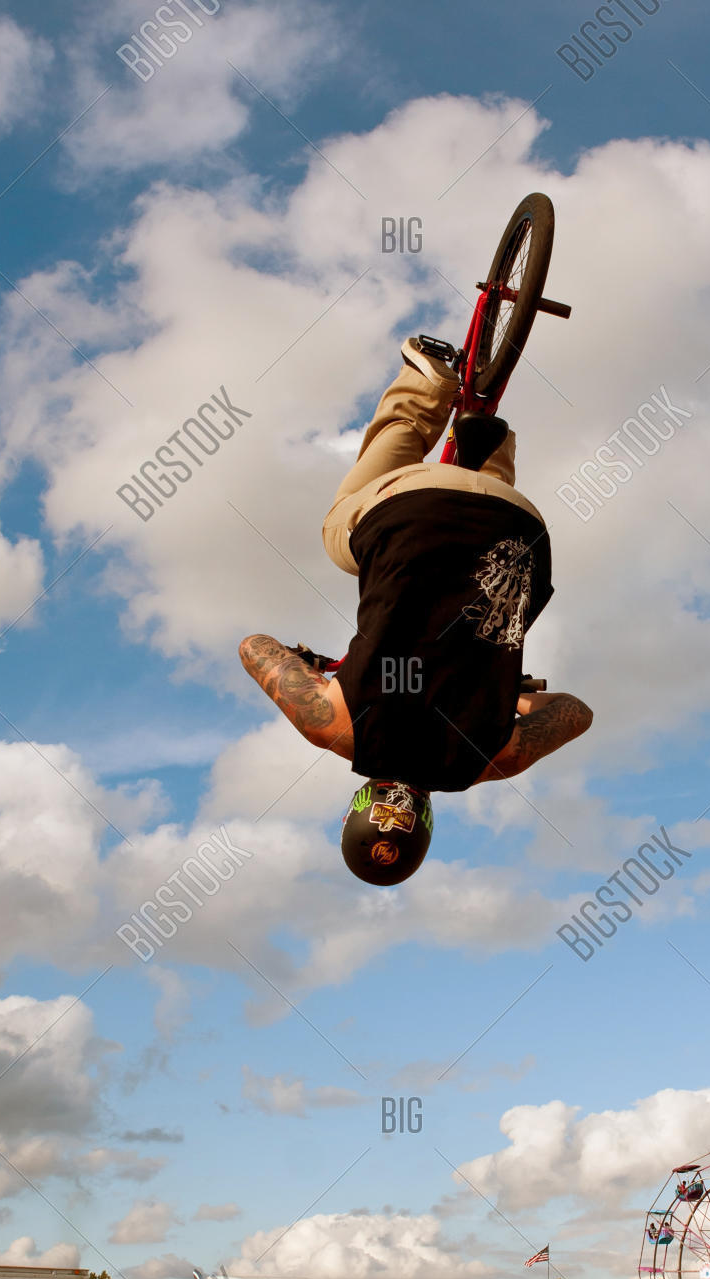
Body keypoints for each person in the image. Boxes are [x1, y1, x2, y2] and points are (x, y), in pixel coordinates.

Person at [239, 339, 593, 888]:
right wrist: (305, 663)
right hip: (405, 509)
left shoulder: (494, 759)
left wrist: (514, 698)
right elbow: (254, 646)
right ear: (354, 809)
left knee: (492, 547)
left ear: (427, 825)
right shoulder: (331, 724)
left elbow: (576, 711)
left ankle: (492, 440)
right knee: (338, 530)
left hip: (517, 528)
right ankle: (424, 386)